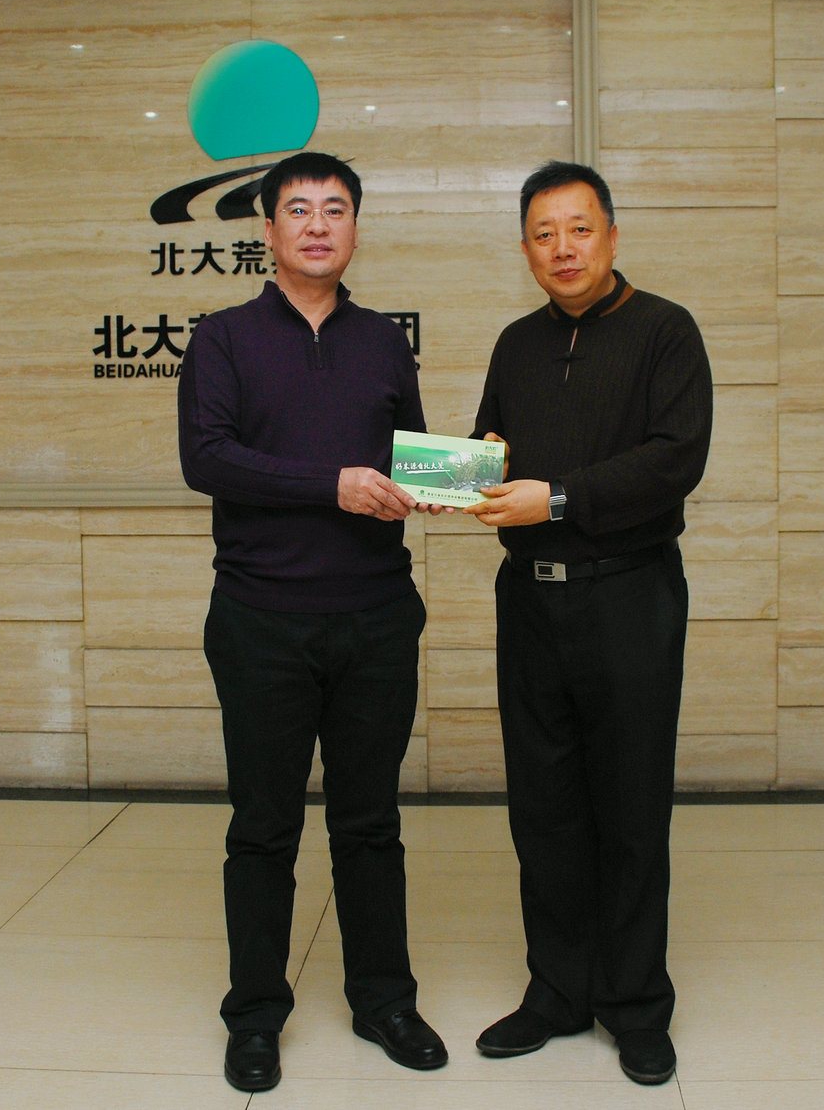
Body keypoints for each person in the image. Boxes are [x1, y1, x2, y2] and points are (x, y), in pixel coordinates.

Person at [178, 151, 448, 1093]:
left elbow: (406, 460)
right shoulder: (222, 338)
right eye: (299, 209)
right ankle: (255, 1014)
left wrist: (452, 480)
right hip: (262, 621)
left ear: (356, 228)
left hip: (376, 617)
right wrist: (330, 484)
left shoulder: (383, 342)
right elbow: (208, 458)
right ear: (268, 230)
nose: (318, 224)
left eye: (336, 209)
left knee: (371, 822)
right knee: (264, 826)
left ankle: (384, 999)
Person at [465, 160, 713, 1086]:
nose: (562, 248)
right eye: (543, 233)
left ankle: (636, 1003)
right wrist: (470, 469)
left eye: (578, 228)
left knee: (631, 807)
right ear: (525, 249)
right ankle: (558, 992)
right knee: (544, 808)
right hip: (530, 602)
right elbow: (490, 444)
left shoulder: (665, 331)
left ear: (611, 234)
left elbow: (675, 459)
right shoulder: (515, 343)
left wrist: (558, 497)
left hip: (629, 596)